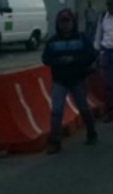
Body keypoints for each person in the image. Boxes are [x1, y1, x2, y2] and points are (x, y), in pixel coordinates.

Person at [42, 9, 98, 154]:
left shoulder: (82, 39)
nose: (65, 25)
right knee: (56, 111)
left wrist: (74, 60)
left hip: (77, 79)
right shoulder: (53, 41)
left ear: (73, 22)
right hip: (59, 81)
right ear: (57, 24)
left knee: (83, 108)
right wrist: (58, 61)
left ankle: (91, 132)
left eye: (68, 21)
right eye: (62, 22)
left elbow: (91, 56)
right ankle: (55, 141)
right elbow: (46, 59)